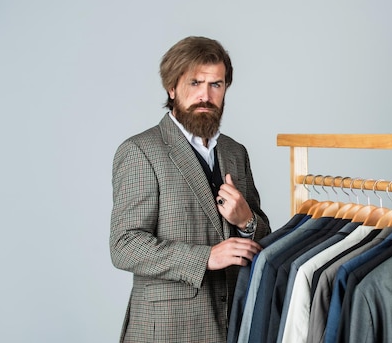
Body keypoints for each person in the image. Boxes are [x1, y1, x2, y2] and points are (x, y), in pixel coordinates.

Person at [109, 36, 271, 343]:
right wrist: (205, 257)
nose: (205, 96)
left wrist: (247, 221)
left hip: (233, 327)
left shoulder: (236, 153)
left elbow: (261, 240)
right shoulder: (140, 151)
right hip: (167, 331)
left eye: (216, 85)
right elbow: (123, 245)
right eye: (195, 83)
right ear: (172, 88)